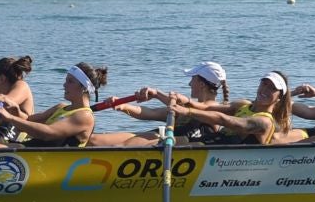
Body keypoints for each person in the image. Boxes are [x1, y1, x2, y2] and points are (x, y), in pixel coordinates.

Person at [91, 61, 229, 147]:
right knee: (94, 140)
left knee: (118, 147)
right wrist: (122, 106)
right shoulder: (186, 107)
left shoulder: (216, 112)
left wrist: (157, 94)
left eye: (192, 79)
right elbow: (151, 113)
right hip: (157, 137)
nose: (189, 83)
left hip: (165, 143)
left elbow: (199, 111)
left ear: (201, 84)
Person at [0, 62, 107, 148]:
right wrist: (16, 112)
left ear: (83, 88)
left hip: (41, 158)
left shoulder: (85, 117)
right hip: (28, 148)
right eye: (66, 80)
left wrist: (11, 118)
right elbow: (28, 121)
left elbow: (48, 133)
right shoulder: (61, 107)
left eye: (70, 81)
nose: (64, 85)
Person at [178, 71, 294, 145]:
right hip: (214, 141)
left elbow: (224, 120)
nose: (265, 90)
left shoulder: (265, 121)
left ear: (279, 98)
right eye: (264, 84)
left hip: (225, 157)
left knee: (188, 144)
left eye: (272, 88)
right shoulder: (243, 105)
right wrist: (186, 102)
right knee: (170, 139)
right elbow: (208, 107)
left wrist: (188, 111)